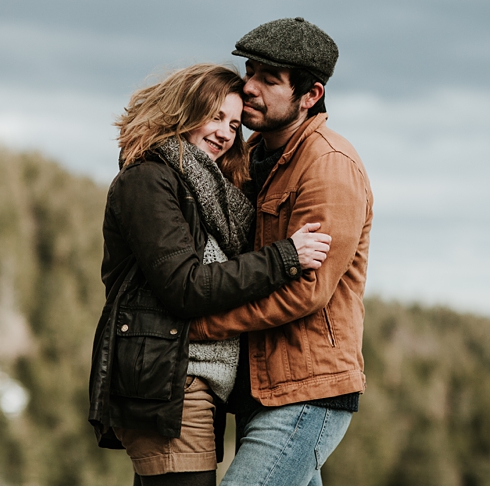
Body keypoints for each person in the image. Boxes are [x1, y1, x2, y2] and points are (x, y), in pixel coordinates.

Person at [88, 63, 333, 486]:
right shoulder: (148, 180)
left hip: (190, 381)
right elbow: (186, 286)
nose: (225, 132)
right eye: (215, 116)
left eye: (235, 124)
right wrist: (284, 257)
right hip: (170, 379)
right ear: (183, 110)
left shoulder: (211, 190)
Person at [188, 18, 373, 486]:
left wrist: (209, 326)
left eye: (269, 80)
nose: (248, 87)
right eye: (249, 71)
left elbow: (308, 291)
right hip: (258, 387)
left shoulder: (330, 165)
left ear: (310, 96)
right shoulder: (249, 155)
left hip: (307, 392)